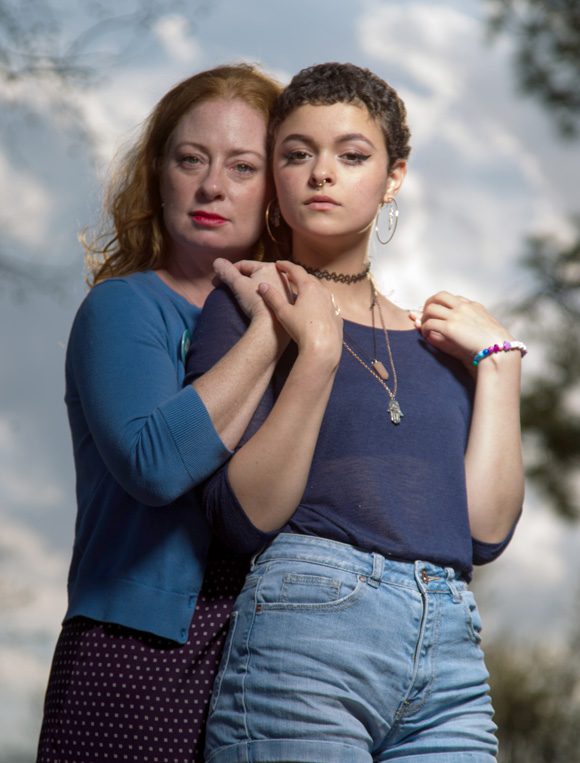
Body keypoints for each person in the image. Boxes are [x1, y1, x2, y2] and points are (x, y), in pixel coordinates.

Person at [186, 62, 525, 762]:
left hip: (452, 656)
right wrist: (313, 351)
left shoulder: (438, 346)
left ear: (393, 176)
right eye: (297, 153)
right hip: (306, 634)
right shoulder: (250, 305)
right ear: (276, 176)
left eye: (352, 155)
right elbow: (242, 516)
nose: (321, 174)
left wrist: (498, 365)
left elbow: (485, 533)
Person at [36, 63, 287, 763]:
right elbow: (153, 464)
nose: (212, 186)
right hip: (134, 653)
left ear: (275, 190)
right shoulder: (124, 307)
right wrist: (269, 333)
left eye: (243, 166)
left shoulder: (310, 332)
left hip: (268, 656)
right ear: (159, 172)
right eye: (191, 159)